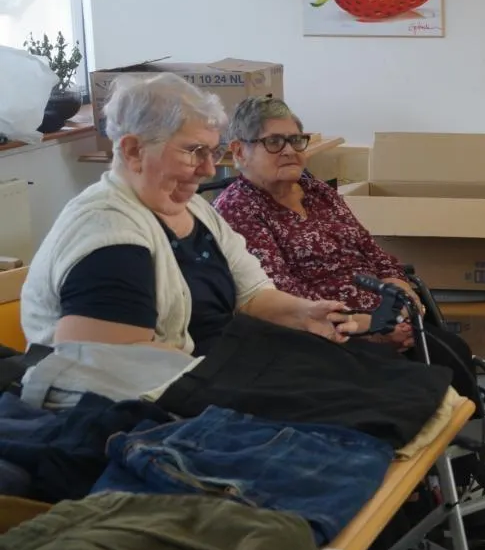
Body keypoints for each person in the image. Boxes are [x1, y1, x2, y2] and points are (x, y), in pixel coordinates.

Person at [20, 73, 362, 356]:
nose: (209, 169)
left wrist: (305, 313)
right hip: (154, 396)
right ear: (134, 151)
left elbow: (252, 296)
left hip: (211, 370)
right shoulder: (108, 236)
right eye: (194, 151)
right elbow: (110, 366)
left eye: (212, 152)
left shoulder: (196, 210)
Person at [213, 97, 418, 351]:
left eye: (295, 140)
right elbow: (282, 294)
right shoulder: (237, 208)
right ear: (239, 151)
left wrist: (402, 298)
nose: (289, 150)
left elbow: (373, 252)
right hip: (325, 338)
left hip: (385, 319)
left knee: (452, 354)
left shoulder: (316, 190)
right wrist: (368, 326)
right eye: (274, 142)